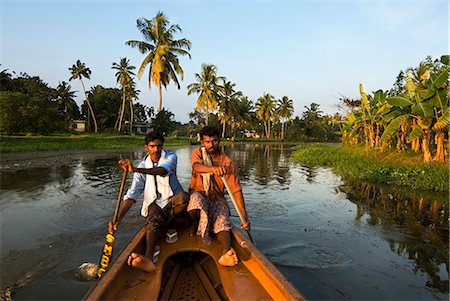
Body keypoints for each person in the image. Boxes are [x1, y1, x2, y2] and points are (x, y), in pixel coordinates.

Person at [108, 131, 189, 273]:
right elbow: (132, 195)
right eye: (152, 146)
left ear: (162, 146)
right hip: (155, 205)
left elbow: (163, 171)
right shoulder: (142, 166)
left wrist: (135, 169)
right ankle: (148, 258)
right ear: (146, 147)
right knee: (152, 216)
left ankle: (166, 224)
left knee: (183, 198)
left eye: (159, 146)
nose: (156, 149)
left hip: (171, 202)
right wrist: (118, 219)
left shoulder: (171, 157)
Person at [188, 126, 250, 267]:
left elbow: (236, 191)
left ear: (219, 140)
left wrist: (244, 217)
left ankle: (226, 253)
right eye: (207, 141)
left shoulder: (227, 163)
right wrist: (213, 169)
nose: (211, 145)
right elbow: (196, 166)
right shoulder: (198, 153)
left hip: (217, 198)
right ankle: (195, 222)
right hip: (200, 193)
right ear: (202, 142)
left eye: (214, 141)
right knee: (196, 201)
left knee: (222, 219)